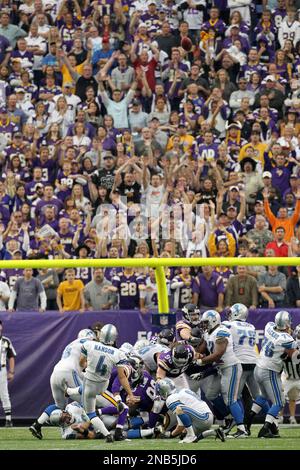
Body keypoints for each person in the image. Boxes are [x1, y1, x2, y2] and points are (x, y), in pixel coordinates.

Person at [79, 324, 139, 442]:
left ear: (101, 334)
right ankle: (111, 433)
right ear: (114, 338)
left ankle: (107, 435)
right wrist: (130, 394)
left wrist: (86, 368)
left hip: (89, 384)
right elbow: (122, 378)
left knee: (90, 414)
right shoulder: (118, 353)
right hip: (102, 386)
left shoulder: (88, 344)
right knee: (113, 406)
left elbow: (81, 363)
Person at [245, 311, 299, 438]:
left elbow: (280, 348)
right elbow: (295, 358)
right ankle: (265, 429)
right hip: (269, 371)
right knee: (279, 402)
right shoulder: (287, 339)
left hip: (259, 367)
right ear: (287, 323)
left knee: (263, 396)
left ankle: (247, 423)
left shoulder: (269, 326)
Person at [198, 310, 248, 438]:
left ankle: (242, 429)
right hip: (220, 369)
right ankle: (230, 417)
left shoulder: (221, 331)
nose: (203, 325)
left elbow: (218, 354)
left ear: (214, 320)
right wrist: (194, 352)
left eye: (205, 322)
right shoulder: (208, 333)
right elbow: (202, 349)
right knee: (210, 394)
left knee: (230, 399)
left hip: (231, 367)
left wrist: (201, 361)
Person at [155, 378, 225, 443]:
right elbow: (181, 425)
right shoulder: (183, 391)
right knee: (183, 436)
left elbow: (180, 410)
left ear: (164, 391)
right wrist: (170, 435)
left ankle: (191, 436)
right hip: (207, 417)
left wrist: (169, 434)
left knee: (179, 408)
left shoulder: (171, 398)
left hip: (203, 417)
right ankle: (213, 432)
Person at [0, 320, 16, 427]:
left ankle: (8, 419)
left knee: (4, 394)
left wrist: (11, 371)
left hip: (2, 369)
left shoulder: (6, 341)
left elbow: (11, 356)